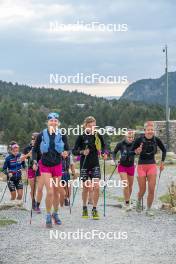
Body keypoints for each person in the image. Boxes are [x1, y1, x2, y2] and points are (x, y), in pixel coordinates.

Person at [32, 112, 69, 228]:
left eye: (55, 120)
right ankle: (48, 214)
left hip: (57, 164)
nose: (53, 122)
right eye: (51, 120)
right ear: (48, 122)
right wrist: (34, 161)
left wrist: (66, 153)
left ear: (58, 123)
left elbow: (68, 149)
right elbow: (34, 150)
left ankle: (55, 213)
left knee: (57, 191)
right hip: (45, 165)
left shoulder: (62, 134)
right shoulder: (41, 135)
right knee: (50, 192)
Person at [72, 116, 107, 220]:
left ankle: (94, 209)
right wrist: (82, 152)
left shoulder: (98, 135)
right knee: (86, 187)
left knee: (96, 187)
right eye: (90, 125)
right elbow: (74, 151)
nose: (92, 127)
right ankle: (84, 207)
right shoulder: (81, 136)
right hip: (85, 164)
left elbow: (104, 146)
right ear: (85, 125)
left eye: (93, 125)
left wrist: (105, 153)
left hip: (95, 163)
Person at [131, 121, 166, 216]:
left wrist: (162, 163)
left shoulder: (156, 140)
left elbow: (164, 150)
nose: (150, 131)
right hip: (141, 166)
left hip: (152, 166)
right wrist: (136, 151)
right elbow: (131, 151)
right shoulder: (139, 140)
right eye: (148, 129)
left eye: (152, 129)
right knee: (142, 189)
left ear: (153, 130)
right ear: (144, 130)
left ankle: (148, 209)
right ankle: (138, 201)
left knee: (151, 189)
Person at [113, 130, 136, 211]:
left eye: (132, 137)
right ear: (126, 137)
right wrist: (115, 161)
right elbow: (114, 152)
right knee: (126, 185)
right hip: (122, 166)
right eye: (129, 137)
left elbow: (140, 152)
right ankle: (127, 203)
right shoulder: (120, 144)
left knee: (130, 186)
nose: (131, 139)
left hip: (131, 166)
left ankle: (127, 200)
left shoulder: (135, 144)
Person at [23, 133, 44, 213]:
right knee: (33, 188)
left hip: (40, 168)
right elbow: (21, 159)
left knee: (40, 188)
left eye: (36, 139)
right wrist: (29, 154)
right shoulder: (27, 148)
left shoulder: (41, 147)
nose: (34, 140)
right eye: (33, 139)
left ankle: (37, 205)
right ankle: (33, 201)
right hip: (31, 169)